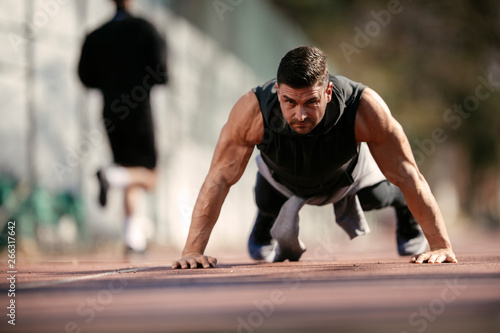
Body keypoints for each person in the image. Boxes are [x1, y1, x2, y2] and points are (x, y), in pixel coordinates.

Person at [172, 46, 457, 269]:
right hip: (282, 177)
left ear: (328, 92)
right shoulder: (253, 111)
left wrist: (441, 245)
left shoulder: (363, 108)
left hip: (346, 175)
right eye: (289, 102)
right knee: (267, 198)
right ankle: (264, 221)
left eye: (311, 102)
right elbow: (219, 177)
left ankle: (405, 217)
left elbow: (407, 173)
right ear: (277, 91)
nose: (300, 114)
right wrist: (192, 251)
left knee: (379, 196)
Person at [78, 0, 168, 253]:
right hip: (139, 110)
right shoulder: (146, 29)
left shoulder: (95, 35)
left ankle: (132, 237)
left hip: (110, 111)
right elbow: (162, 72)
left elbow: (85, 77)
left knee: (130, 170)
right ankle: (111, 177)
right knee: (149, 177)